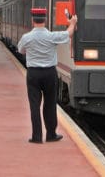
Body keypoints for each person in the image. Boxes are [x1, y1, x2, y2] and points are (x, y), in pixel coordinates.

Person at [17, 8, 77, 144]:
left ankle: (36, 136)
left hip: (33, 74)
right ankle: (51, 134)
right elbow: (68, 34)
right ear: (45, 20)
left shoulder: (26, 37)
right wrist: (72, 22)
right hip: (50, 73)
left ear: (33, 20)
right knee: (50, 104)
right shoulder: (52, 36)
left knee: (34, 105)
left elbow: (21, 50)